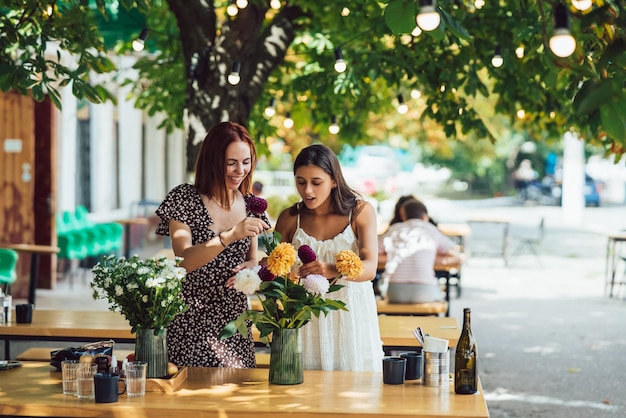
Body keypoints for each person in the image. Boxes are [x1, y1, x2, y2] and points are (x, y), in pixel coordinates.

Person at [155, 121, 270, 368]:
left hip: (234, 323)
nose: (241, 170)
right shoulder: (184, 197)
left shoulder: (251, 204)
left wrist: (250, 269)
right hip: (190, 322)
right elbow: (183, 260)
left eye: (246, 162)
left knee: (236, 399)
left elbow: (252, 258)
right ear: (212, 161)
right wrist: (229, 235)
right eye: (231, 163)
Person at [274, 144, 384, 372]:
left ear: (334, 180)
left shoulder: (360, 212)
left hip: (350, 316)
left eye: (316, 182)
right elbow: (275, 272)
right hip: (304, 321)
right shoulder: (289, 218)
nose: (307, 191)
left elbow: (370, 268)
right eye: (300, 181)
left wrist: (332, 269)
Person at [380, 199, 462, 303]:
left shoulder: (394, 229)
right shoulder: (431, 229)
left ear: (403, 216)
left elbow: (371, 253)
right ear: (424, 217)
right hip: (424, 290)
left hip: (393, 291)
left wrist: (395, 256)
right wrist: (432, 259)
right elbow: (458, 257)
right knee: (435, 302)